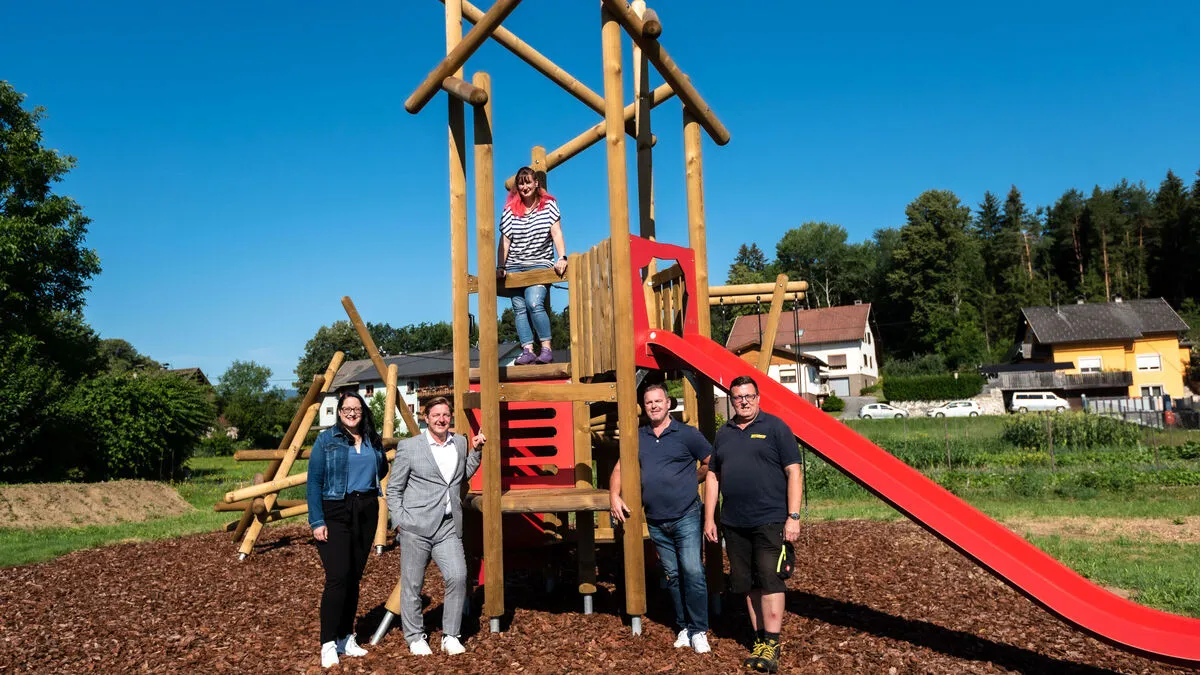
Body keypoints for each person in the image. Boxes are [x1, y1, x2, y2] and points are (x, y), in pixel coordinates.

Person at [703, 375, 802, 674]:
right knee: (746, 584)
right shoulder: (724, 434)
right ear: (731, 400)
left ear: (758, 397)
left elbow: (794, 472)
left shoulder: (775, 428)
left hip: (770, 520)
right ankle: (759, 640)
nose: (743, 401)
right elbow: (712, 476)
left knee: (770, 580)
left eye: (748, 396)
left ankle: (772, 644)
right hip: (734, 523)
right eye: (737, 397)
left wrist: (793, 517)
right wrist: (710, 517)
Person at [610, 383, 713, 653]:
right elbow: (620, 467)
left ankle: (699, 629)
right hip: (656, 519)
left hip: (687, 514)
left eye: (658, 401)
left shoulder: (687, 434)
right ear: (644, 407)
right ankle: (683, 627)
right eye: (648, 402)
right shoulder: (638, 436)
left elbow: (710, 462)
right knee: (673, 576)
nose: (654, 406)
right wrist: (613, 495)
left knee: (692, 571)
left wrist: (693, 479)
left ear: (669, 403)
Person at [386, 397, 486, 657]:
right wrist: (399, 523)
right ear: (426, 418)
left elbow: (461, 476)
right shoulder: (410, 446)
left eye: (446, 414)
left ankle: (451, 635)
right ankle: (415, 636)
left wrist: (476, 452)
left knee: (458, 576)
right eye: (436, 415)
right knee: (412, 584)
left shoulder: (460, 442)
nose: (442, 419)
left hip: (448, 526)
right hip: (415, 526)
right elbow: (394, 489)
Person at [307, 391, 389, 669]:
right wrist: (317, 521)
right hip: (336, 510)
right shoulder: (326, 440)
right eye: (346, 409)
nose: (352, 413)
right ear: (339, 412)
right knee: (338, 577)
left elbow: (382, 469)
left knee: (353, 577)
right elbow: (314, 482)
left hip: (366, 509)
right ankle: (328, 642)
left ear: (363, 412)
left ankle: (345, 636)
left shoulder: (371, 439)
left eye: (357, 409)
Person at [497, 165, 567, 365]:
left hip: (539, 264)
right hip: (515, 266)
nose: (525, 186)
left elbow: (556, 232)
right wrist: (500, 266)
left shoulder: (549, 205)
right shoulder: (511, 210)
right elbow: (505, 240)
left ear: (536, 184)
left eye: (528, 182)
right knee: (519, 309)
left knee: (534, 303)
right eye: (521, 183)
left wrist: (562, 257)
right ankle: (527, 349)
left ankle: (546, 348)